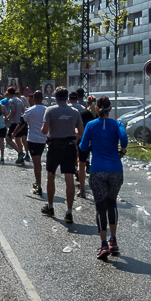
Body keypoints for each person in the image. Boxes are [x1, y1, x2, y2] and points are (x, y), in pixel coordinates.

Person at [79, 96, 128, 260]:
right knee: (112, 203)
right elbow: (124, 138)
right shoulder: (117, 124)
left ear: (96, 109)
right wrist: (122, 151)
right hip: (115, 169)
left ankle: (103, 244)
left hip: (97, 169)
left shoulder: (91, 125)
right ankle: (113, 240)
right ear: (110, 109)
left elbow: (83, 146)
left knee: (100, 206)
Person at [40, 87, 84, 223]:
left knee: (50, 175)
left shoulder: (50, 110)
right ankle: (69, 211)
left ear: (56, 98)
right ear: (67, 98)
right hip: (69, 146)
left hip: (54, 146)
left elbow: (44, 130)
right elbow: (81, 131)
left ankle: (51, 206)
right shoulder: (75, 112)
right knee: (69, 178)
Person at [24, 91, 48, 196]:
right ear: (42, 98)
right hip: (43, 139)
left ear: (34, 98)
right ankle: (38, 182)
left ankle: (38, 185)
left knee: (36, 163)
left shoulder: (30, 110)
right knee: (38, 162)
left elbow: (22, 122)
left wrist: (14, 133)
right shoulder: (47, 110)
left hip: (33, 139)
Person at [72, 89, 93, 196]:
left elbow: (78, 128)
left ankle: (82, 189)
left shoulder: (83, 114)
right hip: (95, 141)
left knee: (81, 163)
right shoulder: (99, 116)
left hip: (83, 140)